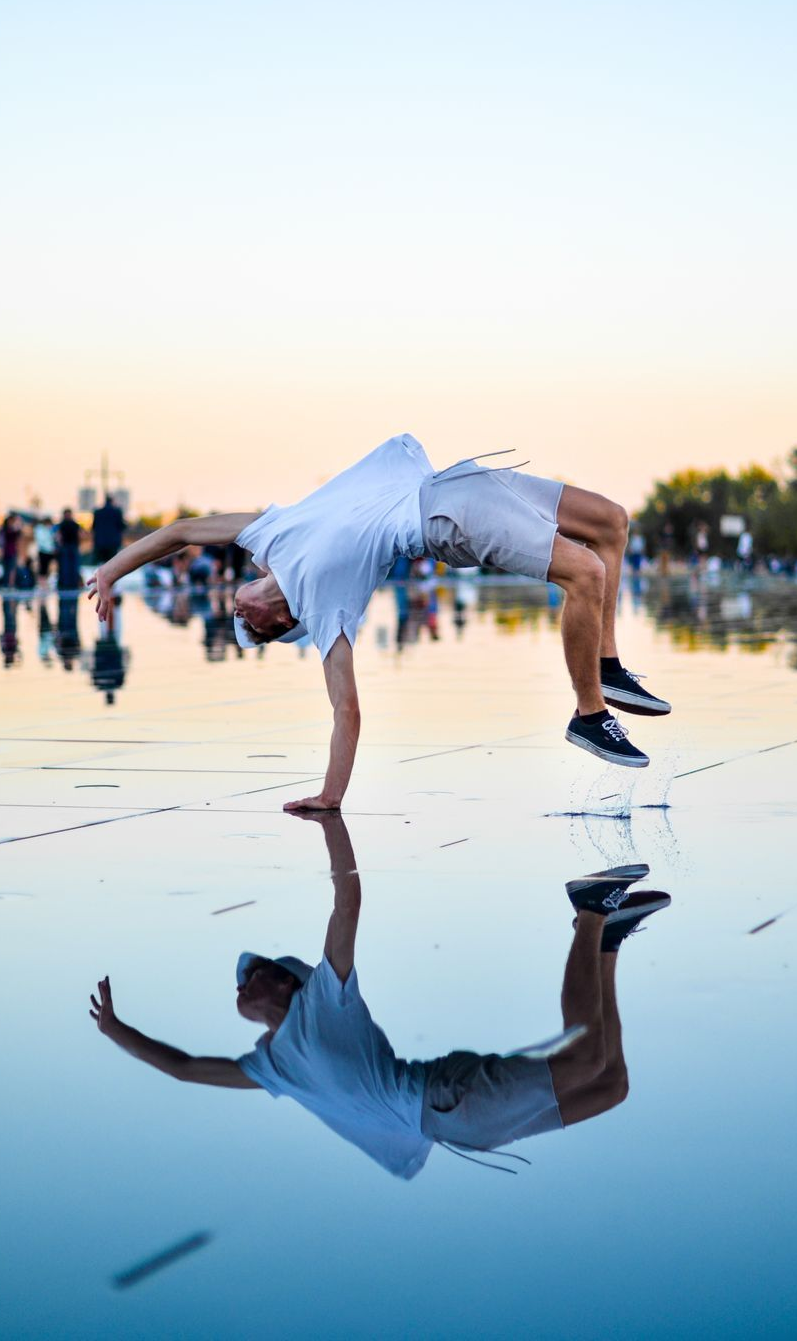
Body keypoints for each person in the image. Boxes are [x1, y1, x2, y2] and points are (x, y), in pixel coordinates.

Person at [88, 435, 672, 806]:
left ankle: (608, 665)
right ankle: (589, 713)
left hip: (457, 479)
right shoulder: (322, 604)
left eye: (238, 617)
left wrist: (112, 571)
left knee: (611, 522)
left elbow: (182, 531)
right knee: (586, 574)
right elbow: (347, 710)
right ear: (276, 621)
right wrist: (329, 796)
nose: (237, 612)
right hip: (447, 516)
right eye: (251, 627)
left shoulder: (271, 533)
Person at [89, 813, 671, 1179]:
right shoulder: (271, 1066)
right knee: (610, 1085)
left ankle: (592, 910)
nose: (241, 982)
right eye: (245, 975)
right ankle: (609, 940)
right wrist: (118, 1031)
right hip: (459, 1126)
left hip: (445, 1099)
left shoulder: (324, 1001)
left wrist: (332, 826)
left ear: (289, 979)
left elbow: (347, 906)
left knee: (587, 1059)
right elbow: (187, 1068)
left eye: (254, 971)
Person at [92, 494, 126, 565]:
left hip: (100, 541)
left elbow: (93, 527)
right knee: (112, 562)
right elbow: (121, 526)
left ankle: (100, 575)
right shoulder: (117, 512)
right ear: (112, 501)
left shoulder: (97, 512)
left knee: (101, 562)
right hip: (113, 542)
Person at [56, 508, 82, 591]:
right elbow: (80, 535)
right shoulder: (74, 524)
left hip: (66, 547)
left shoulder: (62, 524)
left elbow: (58, 536)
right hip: (72, 547)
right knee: (72, 566)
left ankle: (65, 583)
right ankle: (72, 583)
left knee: (65, 566)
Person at [33, 516, 57, 583]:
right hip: (44, 551)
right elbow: (42, 541)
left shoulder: (49, 530)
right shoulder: (40, 529)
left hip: (50, 551)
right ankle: (42, 583)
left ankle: (45, 582)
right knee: (43, 569)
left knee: (48, 568)